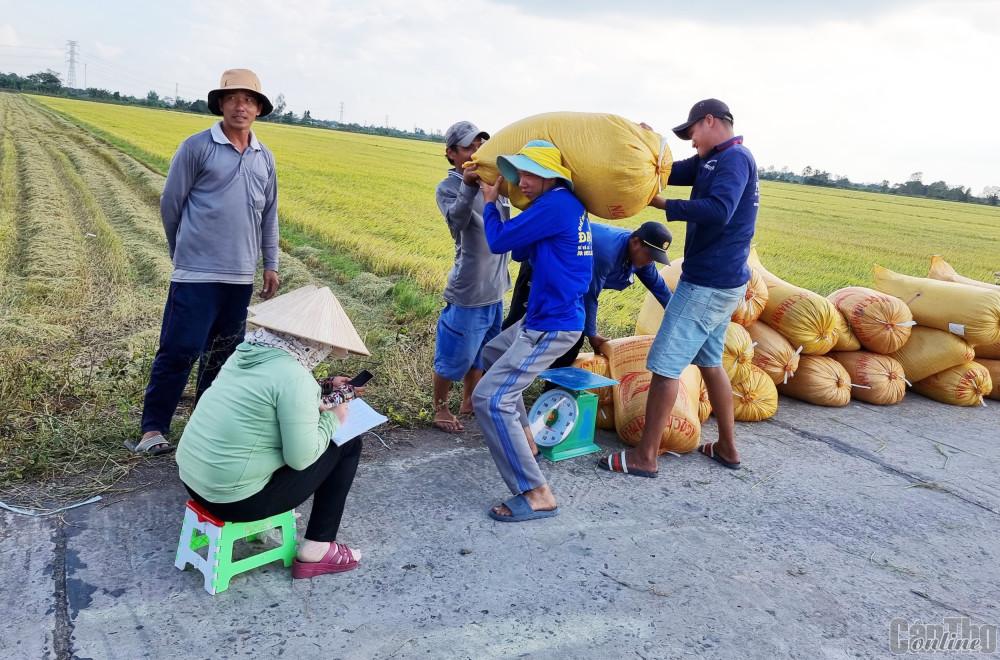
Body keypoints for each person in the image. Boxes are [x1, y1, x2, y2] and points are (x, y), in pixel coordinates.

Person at [599, 99, 758, 477]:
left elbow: (720, 210)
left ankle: (645, 456)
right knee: (709, 363)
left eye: (692, 134)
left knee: (665, 366)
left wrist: (664, 204)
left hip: (707, 283)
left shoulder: (734, 159)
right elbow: (669, 170)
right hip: (723, 282)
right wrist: (648, 145)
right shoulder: (711, 159)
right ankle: (727, 448)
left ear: (710, 121)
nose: (691, 143)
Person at [129, 69, 281, 455]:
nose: (240, 105)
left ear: (259, 109)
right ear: (220, 104)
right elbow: (171, 204)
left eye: (249, 99)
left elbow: (270, 215)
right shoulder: (197, 147)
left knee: (223, 355)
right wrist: (180, 251)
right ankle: (153, 430)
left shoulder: (265, 158)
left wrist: (271, 263)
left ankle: (203, 425)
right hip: (196, 273)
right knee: (180, 349)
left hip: (239, 276)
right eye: (232, 98)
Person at [176, 286, 366, 579]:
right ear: (313, 344)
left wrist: (324, 387)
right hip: (233, 501)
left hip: (194, 482)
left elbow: (270, 396)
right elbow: (300, 460)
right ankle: (317, 546)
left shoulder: (246, 353)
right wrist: (334, 419)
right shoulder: (294, 379)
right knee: (348, 442)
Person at [473, 140, 593, 522]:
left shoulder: (557, 204)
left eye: (528, 174)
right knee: (491, 354)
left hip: (551, 325)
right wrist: (520, 214)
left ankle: (537, 492)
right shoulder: (560, 206)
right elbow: (523, 251)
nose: (520, 181)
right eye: (517, 174)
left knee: (490, 399)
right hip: (541, 317)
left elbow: (499, 242)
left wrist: (492, 203)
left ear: (550, 176)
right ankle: (527, 439)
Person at [431, 121, 511, 433]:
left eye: (480, 144)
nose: (476, 151)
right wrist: (467, 184)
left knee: (481, 353)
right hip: (469, 291)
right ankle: (439, 408)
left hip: (495, 289)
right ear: (451, 153)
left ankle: (469, 399)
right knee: (454, 357)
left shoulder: (494, 182)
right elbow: (457, 222)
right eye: (468, 147)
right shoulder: (449, 186)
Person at [505, 221, 673, 368]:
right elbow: (589, 296)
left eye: (655, 258)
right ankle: (487, 372)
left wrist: (678, 317)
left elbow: (659, 288)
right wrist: (592, 335)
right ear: (636, 242)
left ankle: (554, 393)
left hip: (568, 284)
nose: (651, 261)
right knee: (517, 326)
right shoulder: (607, 252)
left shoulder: (641, 259)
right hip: (542, 267)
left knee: (571, 337)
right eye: (650, 255)